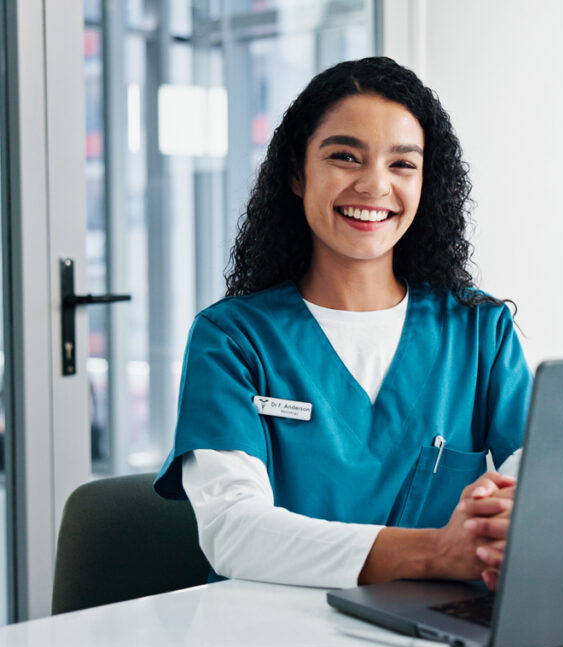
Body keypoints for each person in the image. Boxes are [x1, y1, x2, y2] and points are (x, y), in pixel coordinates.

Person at [154, 56, 532, 592]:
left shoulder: (480, 331)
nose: (375, 185)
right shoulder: (233, 340)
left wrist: (507, 516)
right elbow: (233, 531)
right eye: (345, 157)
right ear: (296, 172)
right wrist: (436, 553)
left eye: (402, 165)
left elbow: (541, 484)